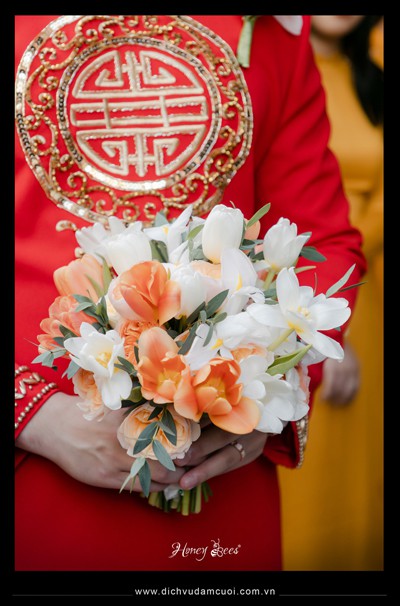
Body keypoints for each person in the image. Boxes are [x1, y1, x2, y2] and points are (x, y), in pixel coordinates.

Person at [14, 14, 365, 571]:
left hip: (219, 462)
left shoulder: (271, 32)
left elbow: (320, 242)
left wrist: (265, 384)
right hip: (37, 467)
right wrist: (33, 417)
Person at [279, 15, 383, 570]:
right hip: (305, 296)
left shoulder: (373, 79)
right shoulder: (274, 72)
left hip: (368, 290)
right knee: (309, 472)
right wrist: (326, 330)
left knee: (361, 476)